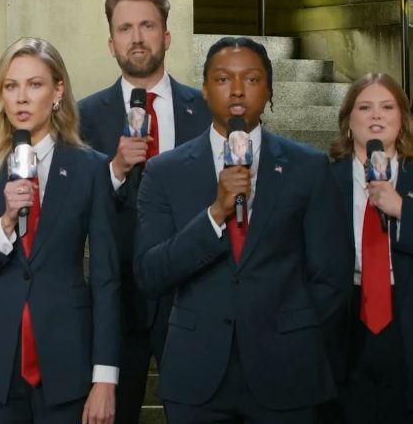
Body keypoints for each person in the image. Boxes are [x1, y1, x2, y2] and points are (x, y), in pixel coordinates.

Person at [134, 37, 353, 423]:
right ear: (205, 89)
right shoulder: (164, 172)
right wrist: (215, 214)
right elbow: (150, 273)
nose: (237, 90)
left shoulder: (309, 168)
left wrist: (296, 336)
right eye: (223, 79)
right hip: (196, 375)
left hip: (287, 373)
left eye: (251, 79)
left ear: (269, 90)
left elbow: (332, 276)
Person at [0, 37, 120, 423]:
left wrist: (105, 377)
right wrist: (6, 223)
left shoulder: (90, 168)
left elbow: (107, 279)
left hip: (66, 364)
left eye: (35, 84)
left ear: (57, 91)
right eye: (11, 86)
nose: (22, 98)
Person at [78, 0, 211, 424]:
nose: (136, 38)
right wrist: (115, 169)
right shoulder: (84, 116)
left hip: (191, 296)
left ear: (166, 36)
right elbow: (72, 210)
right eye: (125, 28)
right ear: (111, 43)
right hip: (117, 302)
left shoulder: (205, 110)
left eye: (147, 26)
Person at [328, 73, 413, 423]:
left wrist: (402, 209)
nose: (376, 115)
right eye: (365, 107)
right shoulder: (322, 178)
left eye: (387, 107)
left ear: (402, 118)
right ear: (349, 121)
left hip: (403, 314)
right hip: (345, 316)